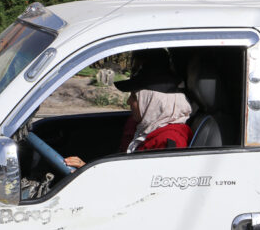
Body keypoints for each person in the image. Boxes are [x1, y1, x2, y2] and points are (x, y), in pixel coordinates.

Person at [64, 51, 192, 169]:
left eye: (134, 97)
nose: (128, 102)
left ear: (154, 104)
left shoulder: (169, 141)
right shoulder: (148, 129)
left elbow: (142, 185)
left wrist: (89, 171)